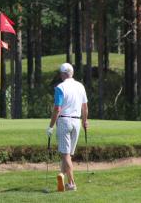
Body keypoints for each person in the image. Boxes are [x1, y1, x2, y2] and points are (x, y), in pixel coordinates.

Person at [46, 63, 88, 191]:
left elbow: (57, 108)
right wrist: (85, 121)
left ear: (63, 74)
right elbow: (85, 107)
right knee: (68, 154)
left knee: (65, 155)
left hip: (64, 121)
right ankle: (62, 174)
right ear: (72, 73)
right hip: (77, 121)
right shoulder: (80, 86)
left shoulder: (60, 87)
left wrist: (51, 126)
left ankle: (71, 184)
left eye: (60, 73)